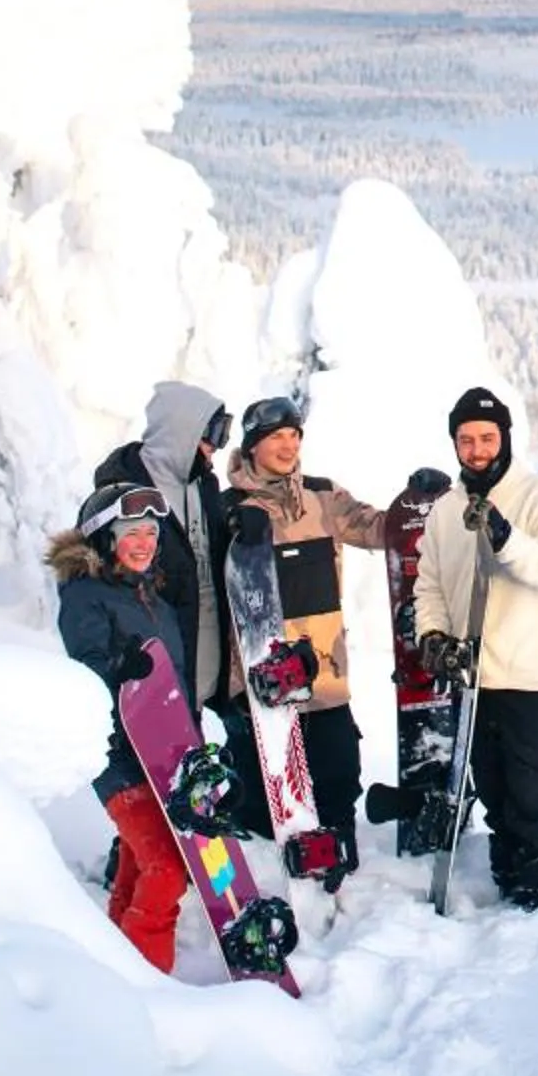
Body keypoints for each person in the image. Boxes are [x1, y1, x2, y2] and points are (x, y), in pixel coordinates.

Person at [412, 385, 538, 909]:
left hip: (531, 676)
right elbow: (431, 583)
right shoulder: (446, 511)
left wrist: (506, 539)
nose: (478, 449)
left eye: (487, 438)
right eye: (467, 440)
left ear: (505, 438)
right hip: (476, 676)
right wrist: (433, 635)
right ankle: (511, 875)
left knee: (534, 794)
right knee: (495, 790)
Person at [221, 394, 392, 882]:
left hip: (324, 675)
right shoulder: (226, 508)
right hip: (262, 683)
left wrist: (418, 509)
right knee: (265, 789)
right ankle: (270, 882)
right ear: (252, 445)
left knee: (338, 773)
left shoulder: (323, 498)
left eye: (294, 435)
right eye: (276, 436)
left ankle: (338, 868)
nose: (288, 445)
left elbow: (378, 529)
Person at [95, 382, 260, 827]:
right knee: (153, 753)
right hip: (156, 646)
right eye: (212, 434)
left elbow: (206, 555)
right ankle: (140, 848)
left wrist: (238, 526)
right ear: (183, 431)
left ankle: (204, 832)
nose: (215, 447)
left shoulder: (202, 484)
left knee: (196, 751)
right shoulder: (123, 491)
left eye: (222, 435)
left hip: (207, 640)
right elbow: (100, 574)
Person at [50, 482, 192, 973]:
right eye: (132, 532)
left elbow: (175, 686)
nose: (145, 542)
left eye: (151, 532)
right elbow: (86, 669)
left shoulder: (156, 601)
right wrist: (121, 667)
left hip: (163, 756)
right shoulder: (86, 595)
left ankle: (113, 968)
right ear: (106, 537)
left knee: (140, 866)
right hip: (118, 758)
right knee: (168, 870)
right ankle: (145, 983)